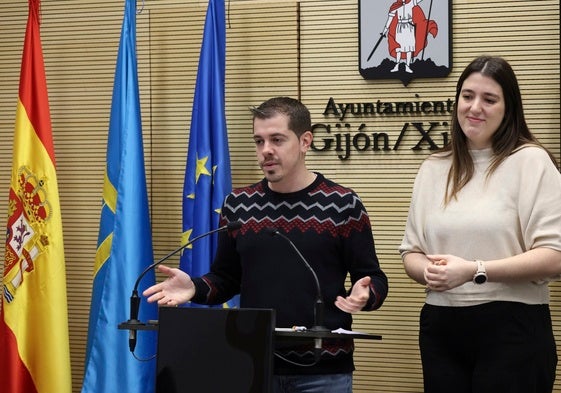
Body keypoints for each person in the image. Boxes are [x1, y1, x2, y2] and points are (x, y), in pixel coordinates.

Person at [144, 96, 389, 393]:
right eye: (259, 141)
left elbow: (375, 279)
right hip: (253, 365)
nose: (266, 151)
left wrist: (366, 293)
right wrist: (195, 287)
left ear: (305, 141)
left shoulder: (342, 204)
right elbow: (226, 279)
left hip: (323, 371)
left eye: (277, 139)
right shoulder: (238, 205)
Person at [399, 55, 561, 393]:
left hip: (513, 327)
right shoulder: (433, 166)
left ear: (508, 108)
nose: (475, 107)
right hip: (441, 326)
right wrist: (427, 271)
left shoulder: (532, 161)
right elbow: (411, 251)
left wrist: (474, 270)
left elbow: (554, 255)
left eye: (489, 99)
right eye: (468, 96)